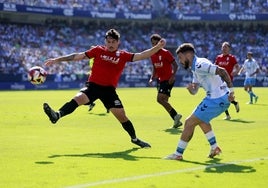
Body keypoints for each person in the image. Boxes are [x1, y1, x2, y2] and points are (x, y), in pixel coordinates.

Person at [43, 28, 166, 148]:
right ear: (105, 41)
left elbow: (142, 55)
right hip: (93, 87)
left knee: (122, 116)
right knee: (78, 98)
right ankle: (57, 115)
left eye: (113, 42)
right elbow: (77, 56)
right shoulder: (97, 50)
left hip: (109, 91)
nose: (110, 44)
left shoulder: (123, 55)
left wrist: (158, 47)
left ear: (118, 42)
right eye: (108, 42)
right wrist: (57, 60)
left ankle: (135, 139)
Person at [165, 43, 235, 160]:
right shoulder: (194, 68)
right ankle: (214, 147)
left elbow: (222, 71)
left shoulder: (200, 64)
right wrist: (191, 90)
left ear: (188, 55)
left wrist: (232, 91)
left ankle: (178, 154)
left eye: (180, 58)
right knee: (202, 121)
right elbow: (195, 91)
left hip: (217, 98)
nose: (180, 61)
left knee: (189, 122)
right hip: (214, 98)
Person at [148, 34, 182, 128]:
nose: (154, 45)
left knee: (159, 99)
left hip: (167, 79)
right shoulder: (152, 55)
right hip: (160, 80)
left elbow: (175, 65)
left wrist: (173, 76)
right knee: (165, 101)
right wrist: (151, 78)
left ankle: (176, 115)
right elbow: (154, 67)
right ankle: (176, 121)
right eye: (153, 43)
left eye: (156, 43)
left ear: (160, 43)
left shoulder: (166, 53)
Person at [214, 41, 240, 120]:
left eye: (226, 47)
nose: (224, 48)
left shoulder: (231, 57)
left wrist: (235, 72)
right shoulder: (219, 57)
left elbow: (237, 66)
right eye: (223, 47)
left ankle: (230, 110)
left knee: (224, 97)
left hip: (228, 81)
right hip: (220, 81)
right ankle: (233, 105)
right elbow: (215, 67)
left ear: (229, 48)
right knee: (222, 97)